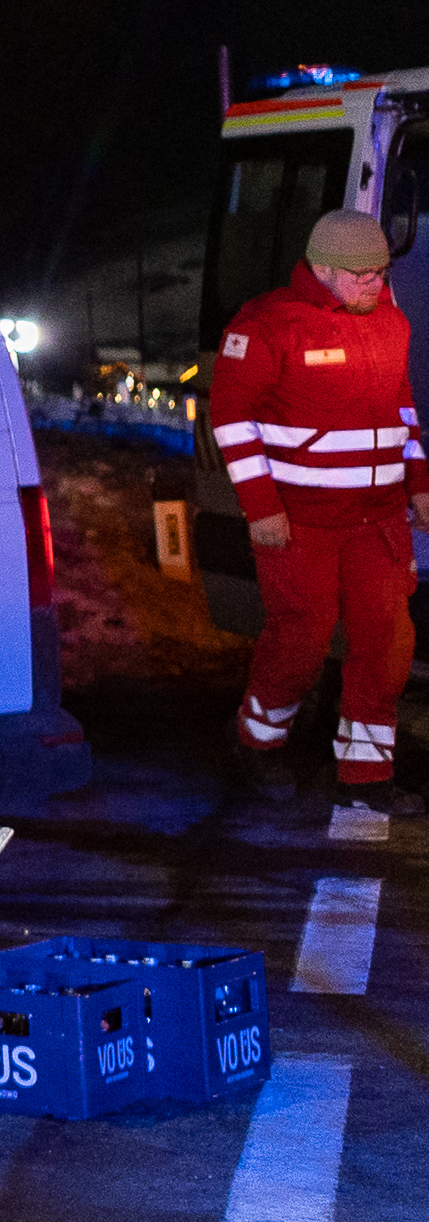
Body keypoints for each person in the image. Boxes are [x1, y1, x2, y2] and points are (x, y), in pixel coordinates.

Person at [211, 208, 422, 813]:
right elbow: (230, 418)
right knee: (301, 635)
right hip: (300, 522)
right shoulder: (268, 325)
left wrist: (420, 483)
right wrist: (261, 508)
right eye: (362, 276)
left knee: (386, 644)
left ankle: (366, 775)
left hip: (376, 522)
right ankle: (257, 741)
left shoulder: (390, 321)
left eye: (382, 273)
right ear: (323, 269)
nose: (376, 285)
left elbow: (403, 406)